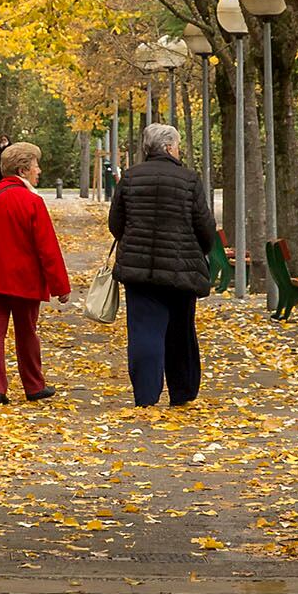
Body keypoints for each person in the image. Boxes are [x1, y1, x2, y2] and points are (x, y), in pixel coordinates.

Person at [104, 121, 218, 407]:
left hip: (139, 271)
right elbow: (204, 226)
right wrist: (198, 251)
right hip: (181, 269)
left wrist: (134, 242)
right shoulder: (189, 180)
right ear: (169, 147)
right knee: (181, 331)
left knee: (144, 331)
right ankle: (183, 393)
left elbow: (116, 223)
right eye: (177, 146)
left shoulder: (129, 178)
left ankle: (146, 396)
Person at [0, 139, 70, 403]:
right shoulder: (31, 202)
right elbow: (47, 249)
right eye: (35, 165)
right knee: (27, 332)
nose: (38, 170)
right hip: (23, 279)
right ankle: (33, 385)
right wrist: (60, 287)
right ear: (22, 170)